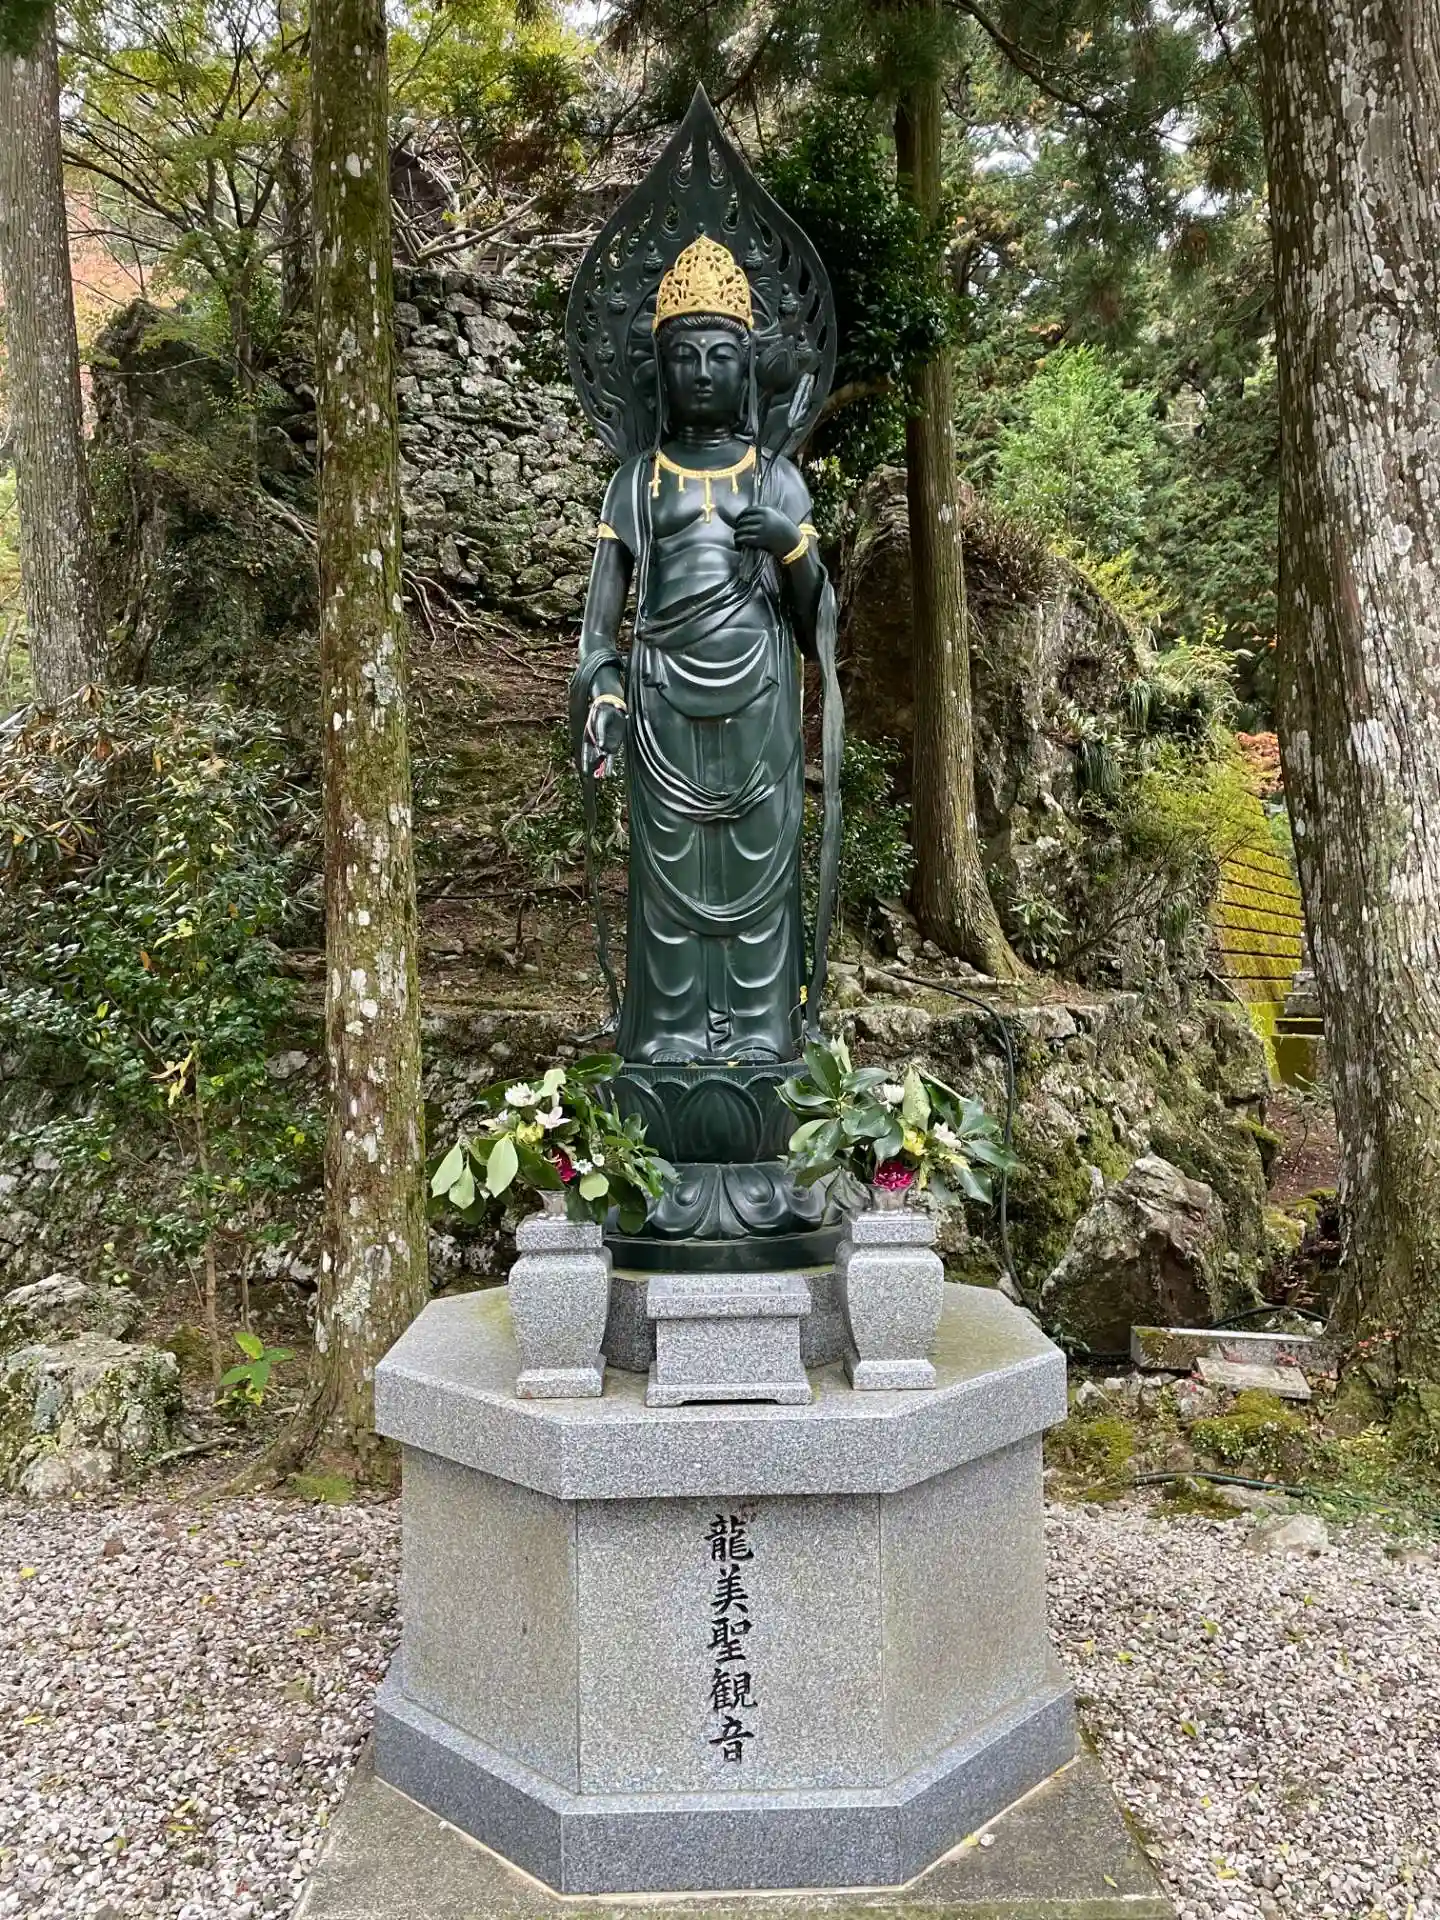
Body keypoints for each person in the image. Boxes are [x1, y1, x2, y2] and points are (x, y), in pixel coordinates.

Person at [572, 237, 829, 1066]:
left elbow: (818, 624)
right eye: (686, 357)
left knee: (759, 869)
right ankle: (671, 1035)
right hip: (661, 704)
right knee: (670, 873)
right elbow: (598, 626)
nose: (705, 373)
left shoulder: (778, 479)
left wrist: (793, 548)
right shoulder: (637, 482)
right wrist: (604, 692)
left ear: (748, 367)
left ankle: (762, 1032)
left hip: (760, 703)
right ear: (659, 370)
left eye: (722, 355)